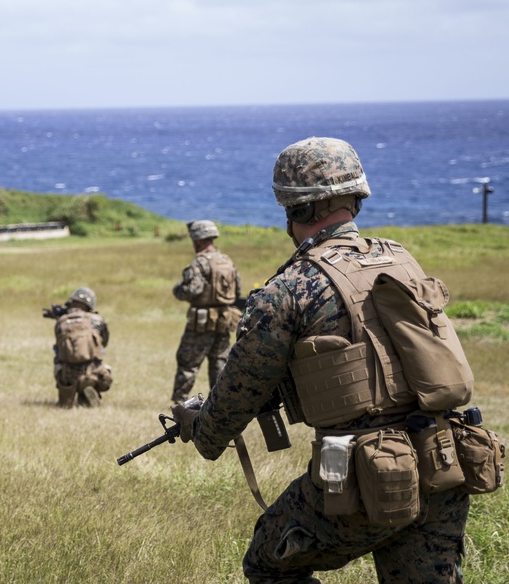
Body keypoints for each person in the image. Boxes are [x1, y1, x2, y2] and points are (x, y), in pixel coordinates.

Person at [171, 137, 475, 583]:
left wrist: (200, 425)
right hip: (443, 458)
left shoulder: (288, 288)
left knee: (269, 563)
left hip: (348, 463)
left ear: (295, 211)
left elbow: (236, 397)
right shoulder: (401, 259)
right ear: (355, 198)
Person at [169, 219, 241, 409]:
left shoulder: (199, 263)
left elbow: (193, 290)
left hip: (200, 324)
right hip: (225, 321)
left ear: (198, 240)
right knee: (220, 363)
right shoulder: (227, 261)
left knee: (188, 362)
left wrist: (178, 290)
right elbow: (237, 291)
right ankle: (220, 404)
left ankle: (179, 403)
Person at [52, 287, 112, 408]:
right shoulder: (97, 320)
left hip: (66, 376)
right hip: (92, 372)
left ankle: (66, 397)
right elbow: (104, 342)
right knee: (105, 368)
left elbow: (58, 346)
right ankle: (88, 390)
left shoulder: (61, 321)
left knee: (58, 364)